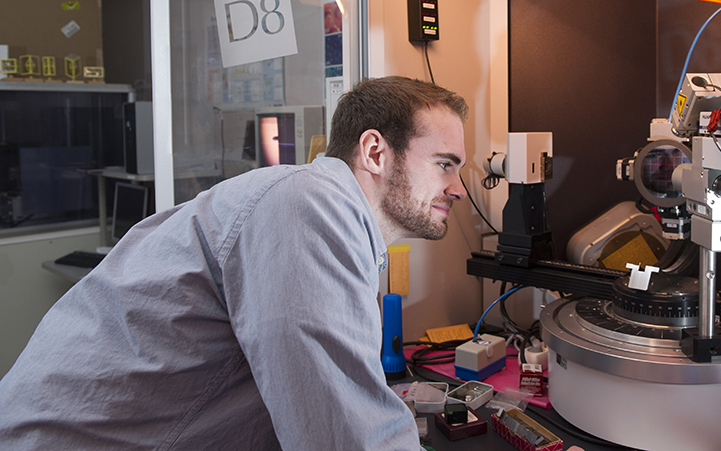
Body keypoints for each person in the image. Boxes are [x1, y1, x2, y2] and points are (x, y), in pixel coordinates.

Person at [0, 76, 468, 450]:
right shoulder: (311, 205)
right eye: (445, 164)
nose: (460, 189)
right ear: (374, 152)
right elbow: (344, 432)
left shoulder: (309, 204)